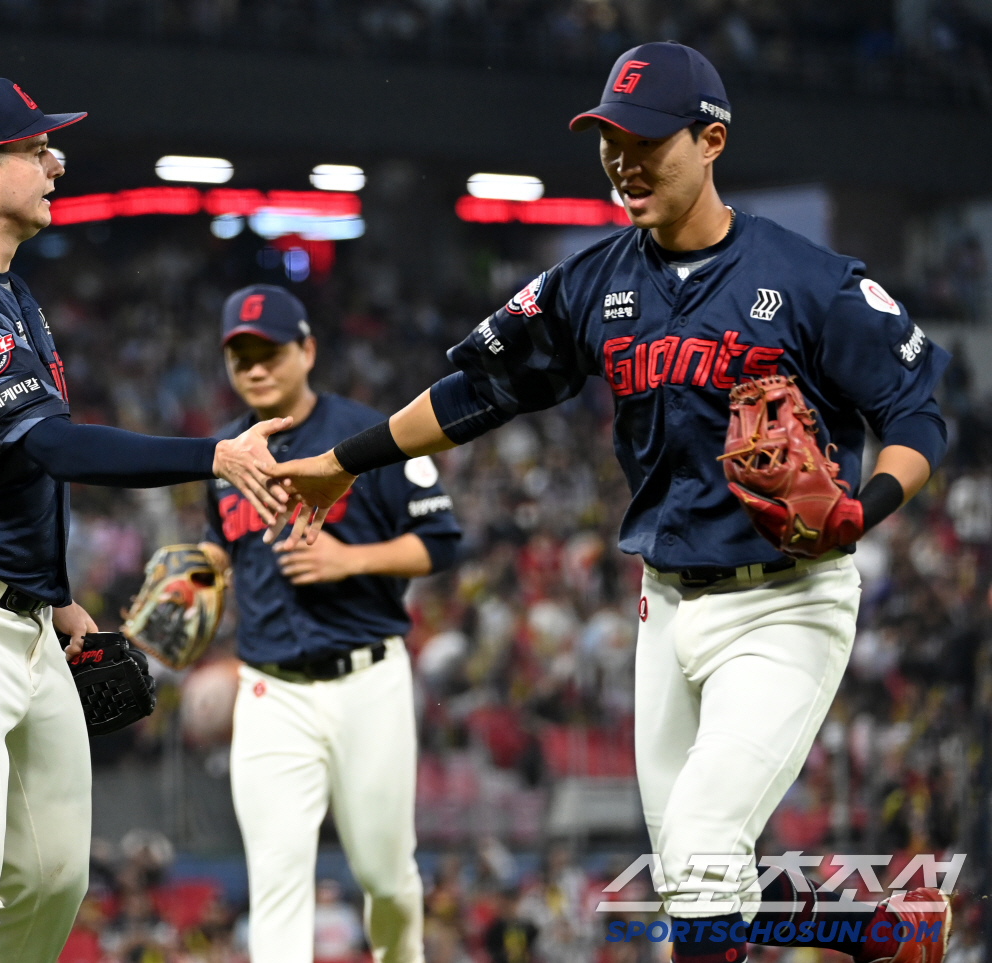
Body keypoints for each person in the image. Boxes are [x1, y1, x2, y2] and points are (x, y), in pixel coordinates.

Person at [262, 42, 952, 963]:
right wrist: (346, 461)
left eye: (647, 143)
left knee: (702, 845)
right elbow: (479, 393)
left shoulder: (813, 281)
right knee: (692, 870)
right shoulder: (593, 282)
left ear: (711, 140)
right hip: (665, 604)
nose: (624, 163)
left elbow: (916, 414)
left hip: (786, 600)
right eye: (610, 143)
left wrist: (866, 505)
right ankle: (876, 929)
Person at [0, 79, 290, 963]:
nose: (55, 163)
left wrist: (55, 595)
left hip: (16, 612)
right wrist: (217, 455)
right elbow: (54, 447)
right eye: (35, 149)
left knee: (49, 876)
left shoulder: (6, 293)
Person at [198, 284, 462, 963]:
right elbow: (221, 543)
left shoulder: (372, 436)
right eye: (241, 357)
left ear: (308, 350)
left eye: (270, 352)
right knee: (277, 881)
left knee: (385, 876)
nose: (256, 368)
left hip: (365, 678)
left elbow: (442, 542)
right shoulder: (226, 455)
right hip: (270, 689)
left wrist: (351, 559)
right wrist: (201, 571)